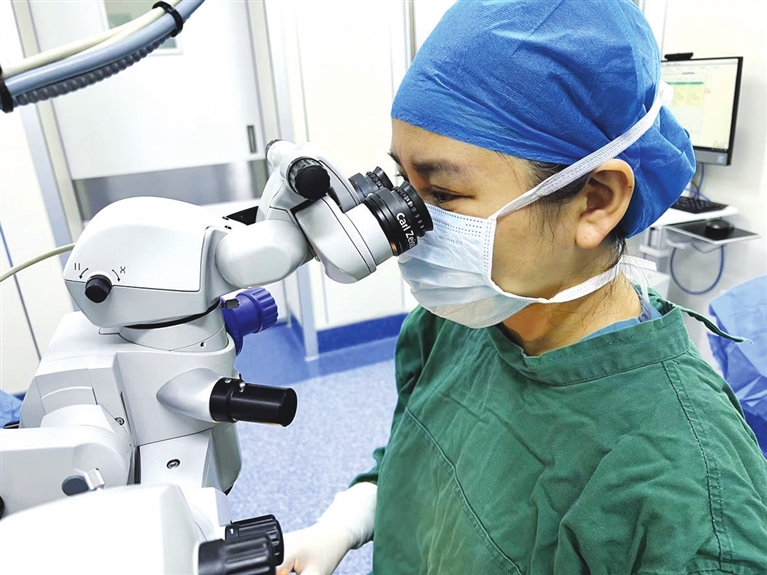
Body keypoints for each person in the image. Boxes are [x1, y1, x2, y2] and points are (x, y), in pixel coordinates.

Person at [278, 1, 767, 573]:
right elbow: (418, 451)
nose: (406, 225)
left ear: (596, 201)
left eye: (444, 194)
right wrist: (346, 521)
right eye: (402, 181)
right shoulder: (458, 321)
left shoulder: (689, 496)